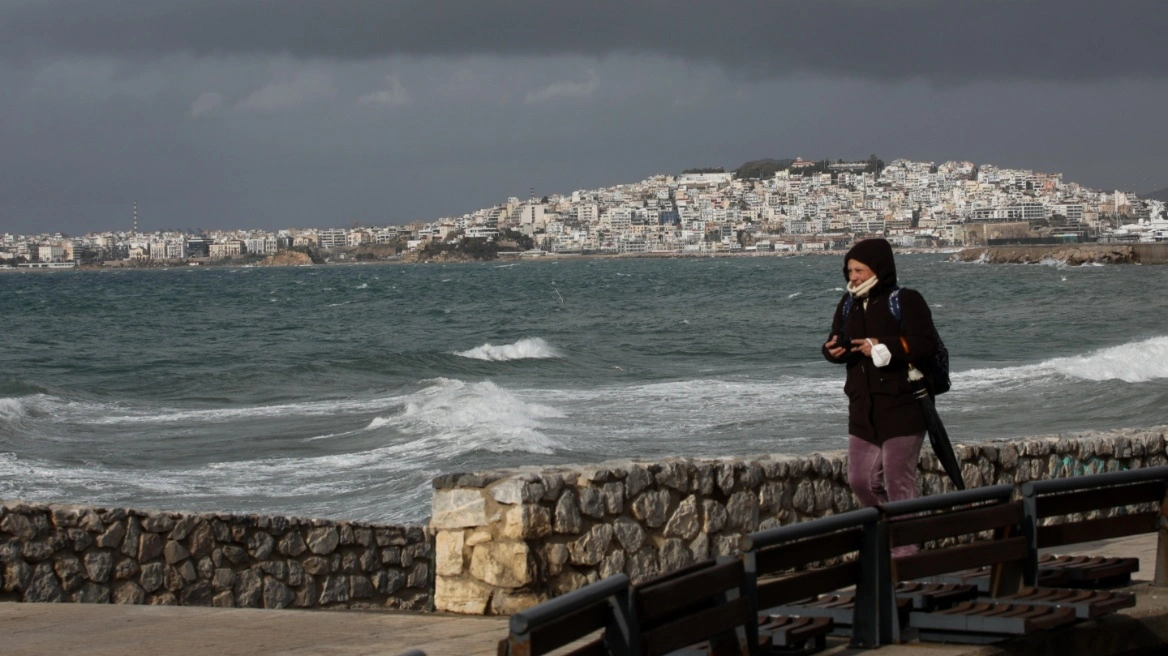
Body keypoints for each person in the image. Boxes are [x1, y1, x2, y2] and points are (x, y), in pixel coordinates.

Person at [822, 238, 940, 526]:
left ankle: (903, 555)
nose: (853, 277)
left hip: (902, 405)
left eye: (859, 270)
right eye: (849, 271)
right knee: (860, 481)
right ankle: (896, 534)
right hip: (863, 407)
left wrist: (880, 346)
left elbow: (926, 344)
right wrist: (830, 351)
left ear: (879, 269)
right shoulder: (848, 304)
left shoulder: (906, 300)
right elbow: (836, 341)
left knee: (900, 484)